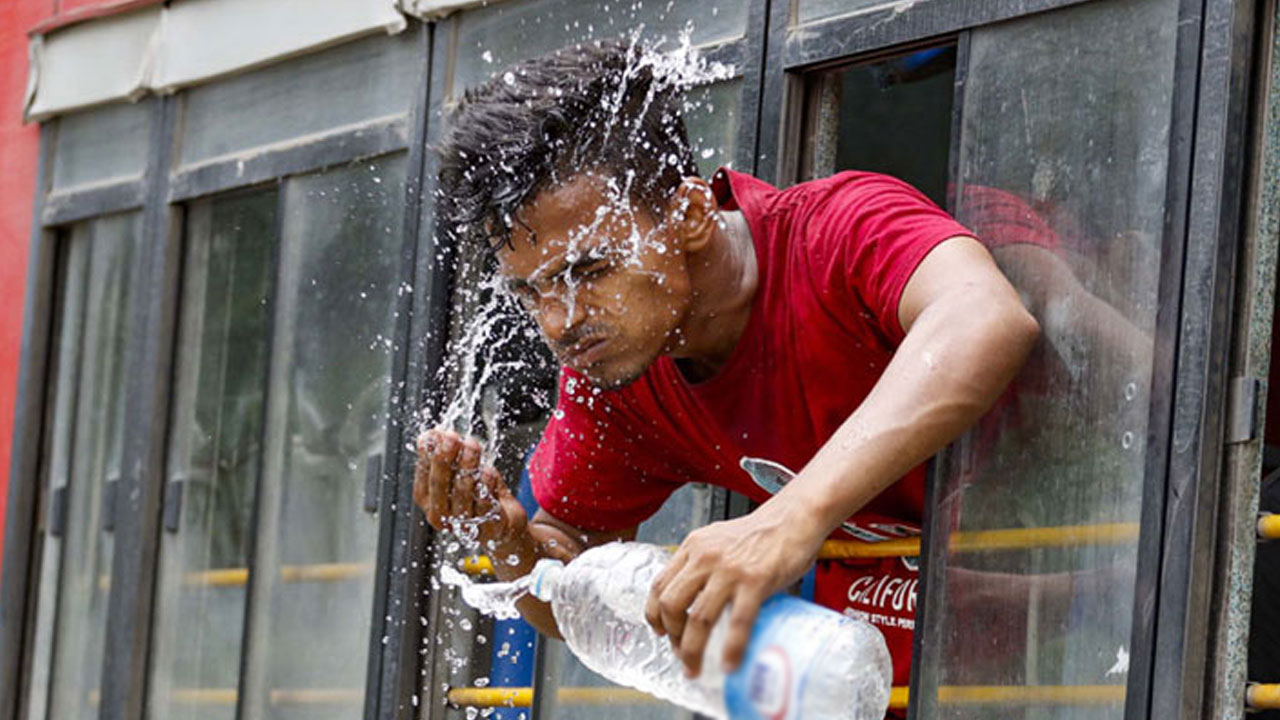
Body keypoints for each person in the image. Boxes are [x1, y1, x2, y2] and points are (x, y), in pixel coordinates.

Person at [413, 39, 1039, 712]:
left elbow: (984, 317)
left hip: (1110, 596)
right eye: (531, 292)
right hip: (904, 663)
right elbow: (569, 583)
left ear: (687, 215)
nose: (559, 322)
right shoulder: (613, 376)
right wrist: (508, 545)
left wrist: (791, 519)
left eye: (590, 271)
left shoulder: (840, 228)